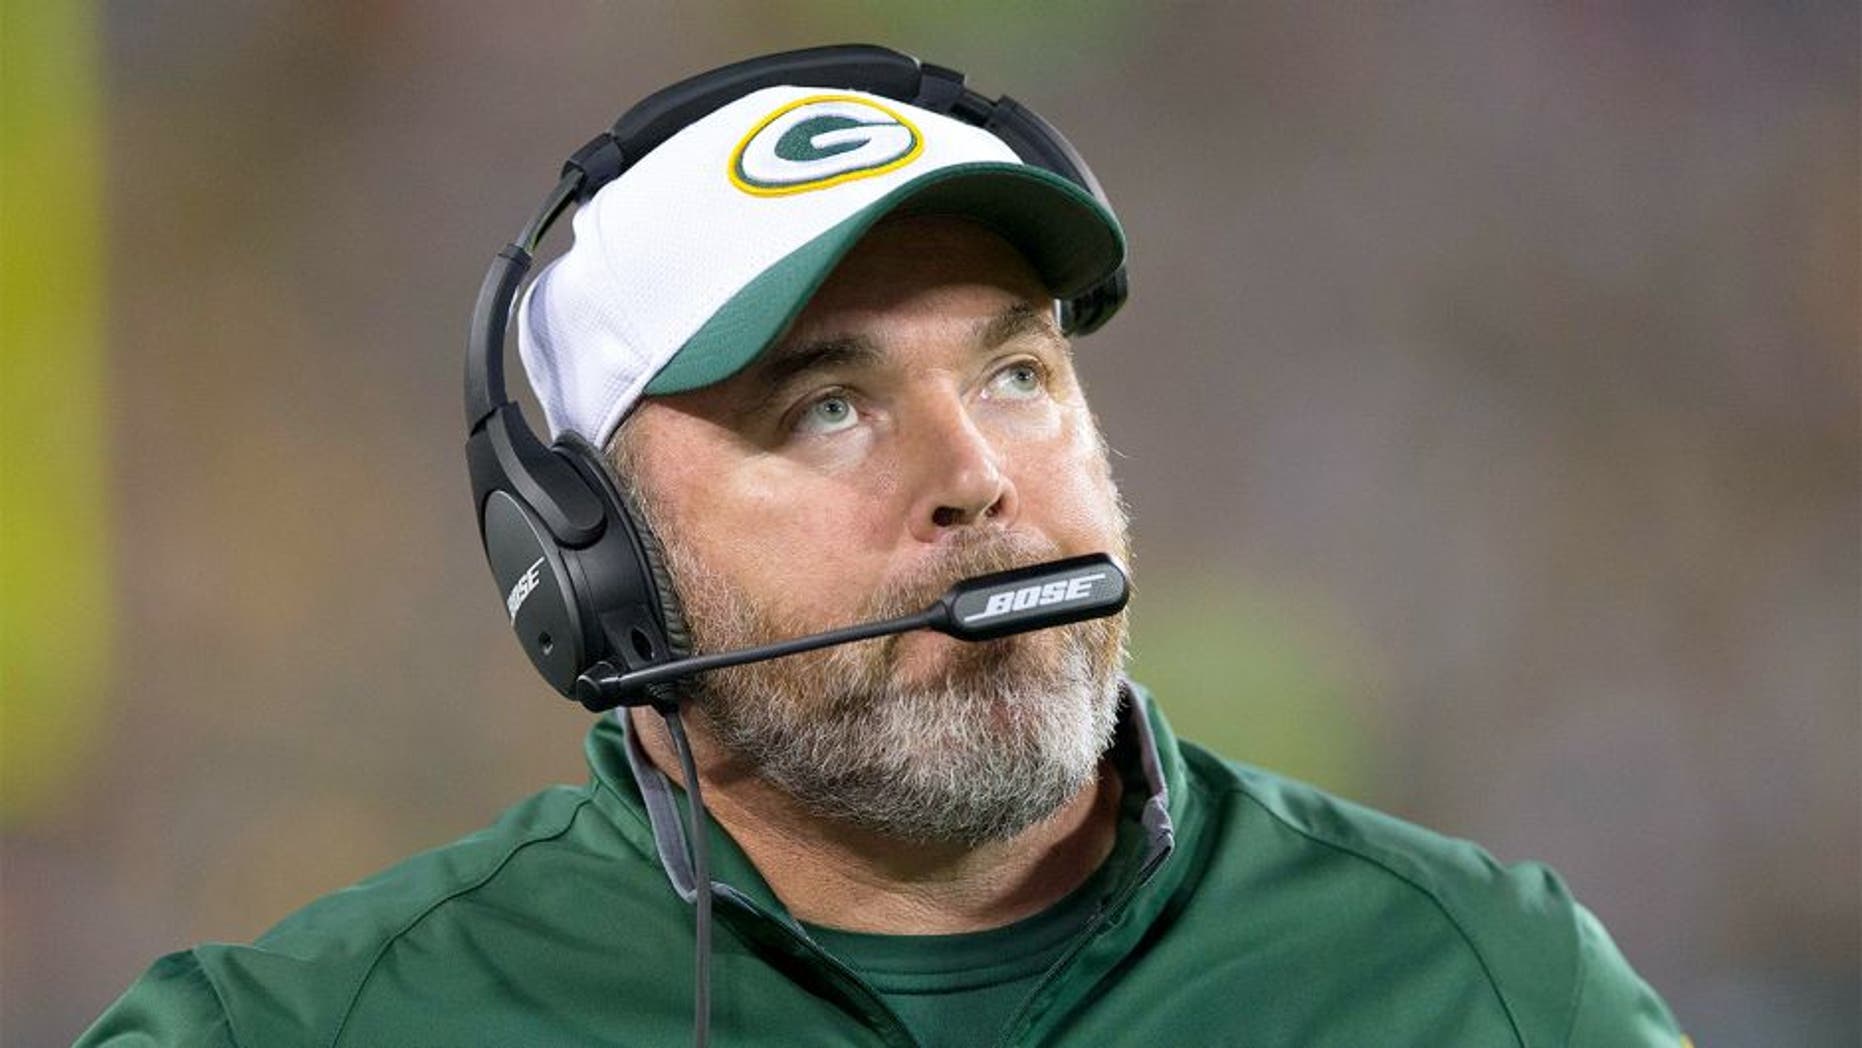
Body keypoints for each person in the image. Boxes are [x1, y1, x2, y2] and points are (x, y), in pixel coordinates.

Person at [78, 49, 1689, 1048]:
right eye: (826, 406)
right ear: (591, 560)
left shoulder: (1489, 986)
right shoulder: (303, 1031)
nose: (976, 475)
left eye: (1015, 372)